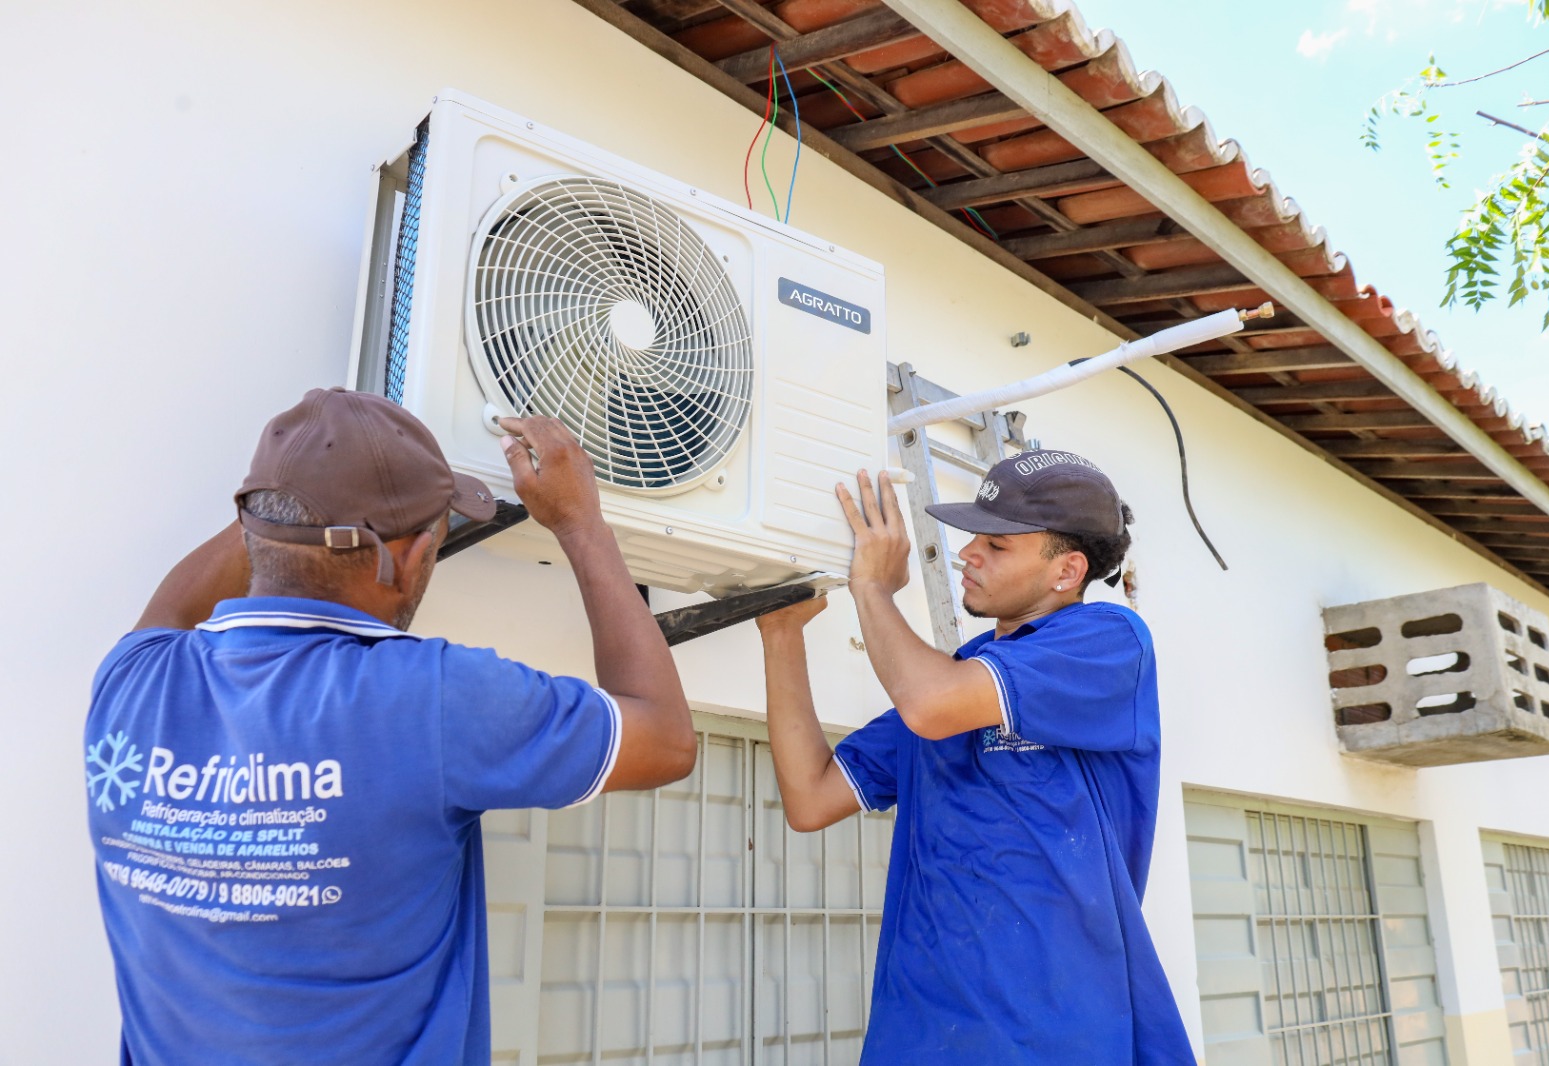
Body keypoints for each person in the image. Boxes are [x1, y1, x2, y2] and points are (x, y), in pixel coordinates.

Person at [83, 387, 695, 1065]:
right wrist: (581, 523)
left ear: (254, 530)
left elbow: (173, 608)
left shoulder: (133, 683)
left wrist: (295, 486)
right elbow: (666, 741)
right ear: (411, 559)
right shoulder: (433, 698)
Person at [756, 451, 1194, 1064]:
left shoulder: (1110, 641)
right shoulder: (956, 683)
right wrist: (781, 634)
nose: (967, 554)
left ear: (1067, 572)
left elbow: (931, 703)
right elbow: (810, 796)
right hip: (919, 1033)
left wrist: (871, 586)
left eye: (997, 543)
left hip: (1057, 1033)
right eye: (972, 539)